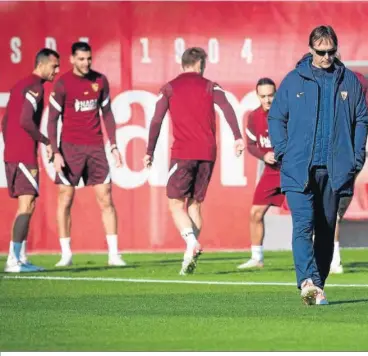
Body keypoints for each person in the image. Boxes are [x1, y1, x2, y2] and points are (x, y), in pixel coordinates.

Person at [268, 25, 368, 305]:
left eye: (331, 51)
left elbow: (361, 118)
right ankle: (307, 281)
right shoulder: (293, 80)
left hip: (335, 169)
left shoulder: (349, 81)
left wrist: (356, 156)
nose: (326, 57)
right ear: (311, 49)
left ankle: (317, 287)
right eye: (321, 52)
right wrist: (283, 151)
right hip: (298, 168)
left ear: (336, 49)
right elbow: (276, 117)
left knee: (326, 229)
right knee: (303, 225)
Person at [144, 47, 245, 275]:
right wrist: (237, 137)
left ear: (184, 64)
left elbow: (156, 120)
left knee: (175, 203)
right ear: (200, 64)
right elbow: (227, 107)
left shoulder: (170, 88)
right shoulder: (211, 85)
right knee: (195, 205)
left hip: (183, 153)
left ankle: (191, 243)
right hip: (208, 153)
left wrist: (149, 150)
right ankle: (189, 257)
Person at [47, 42, 126, 267]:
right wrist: (56, 151)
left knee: (106, 198)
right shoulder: (62, 84)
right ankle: (66, 254)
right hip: (70, 149)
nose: (86, 63)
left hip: (96, 149)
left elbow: (107, 114)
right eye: (81, 59)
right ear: (72, 59)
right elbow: (52, 120)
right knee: (65, 198)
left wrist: (113, 146)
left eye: (89, 59)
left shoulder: (100, 81)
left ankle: (113, 254)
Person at [3, 48, 60, 272]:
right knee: (26, 205)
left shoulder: (20, 84)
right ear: (42, 64)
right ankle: (13, 260)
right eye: (54, 66)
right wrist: (45, 141)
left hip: (14, 153)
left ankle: (21, 257)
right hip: (23, 154)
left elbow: (6, 121)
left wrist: (10, 147)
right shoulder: (35, 86)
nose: (57, 70)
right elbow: (26, 120)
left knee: (28, 204)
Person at [330, 54, 368, 274]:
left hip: (337, 156)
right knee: (330, 211)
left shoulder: (353, 80)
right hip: (352, 157)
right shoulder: (358, 79)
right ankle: (332, 258)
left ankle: (332, 259)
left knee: (327, 210)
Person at [237, 78, 284, 269]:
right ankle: (257, 258)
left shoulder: (287, 114)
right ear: (258, 96)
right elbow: (251, 145)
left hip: (291, 171)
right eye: (263, 96)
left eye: (271, 95)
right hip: (271, 172)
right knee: (255, 213)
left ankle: (323, 256)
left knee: (305, 215)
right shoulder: (254, 117)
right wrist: (264, 156)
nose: (267, 100)